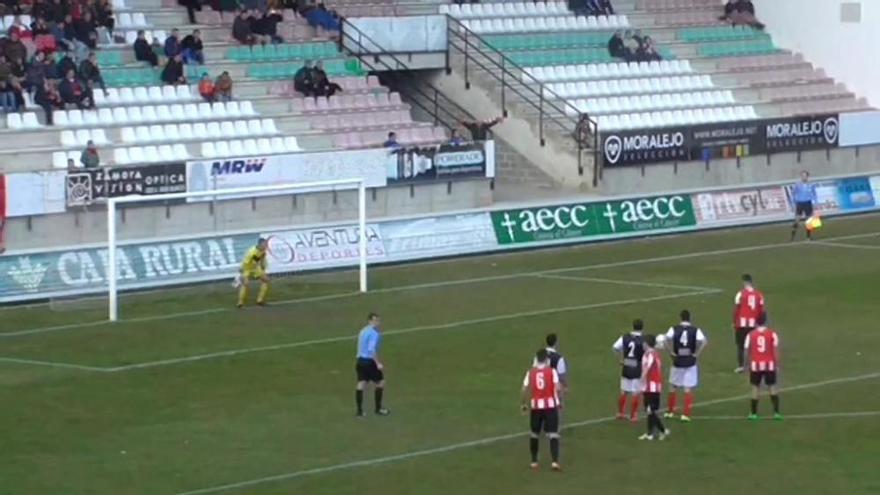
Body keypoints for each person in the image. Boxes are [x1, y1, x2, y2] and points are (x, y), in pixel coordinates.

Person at [521, 348, 562, 470]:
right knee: (553, 434)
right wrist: (559, 401)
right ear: (546, 359)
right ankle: (554, 462)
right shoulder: (552, 371)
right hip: (550, 407)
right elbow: (558, 388)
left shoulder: (530, 372)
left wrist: (524, 404)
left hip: (536, 407)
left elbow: (524, 389)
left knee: (534, 434)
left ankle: (534, 461)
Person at [663, 310, 707, 421]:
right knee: (687, 388)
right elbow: (704, 341)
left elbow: (665, 341)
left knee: (672, 386)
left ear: (680, 318)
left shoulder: (674, 329)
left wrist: (671, 353)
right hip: (690, 361)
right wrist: (696, 354)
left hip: (677, 360)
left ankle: (670, 412)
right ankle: (686, 415)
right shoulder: (695, 330)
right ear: (690, 318)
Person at [744, 313, 782, 420]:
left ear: (756, 322)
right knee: (772, 387)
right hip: (769, 365)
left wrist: (746, 364)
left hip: (755, 365)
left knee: (755, 387)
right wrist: (777, 364)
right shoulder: (772, 334)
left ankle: (753, 414)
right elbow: (775, 351)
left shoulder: (750, 335)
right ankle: (776, 413)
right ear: (766, 321)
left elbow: (746, 351)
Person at [355, 313, 390, 416]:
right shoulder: (374, 333)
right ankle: (378, 409)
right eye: (375, 321)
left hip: (360, 361)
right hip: (369, 362)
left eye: (378, 320)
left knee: (361, 383)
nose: (377, 323)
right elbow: (371, 350)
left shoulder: (362, 331)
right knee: (381, 382)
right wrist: (377, 363)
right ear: (369, 321)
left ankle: (359, 411)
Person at [612, 319, 645, 422]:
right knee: (635, 393)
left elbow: (615, 348)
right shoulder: (643, 340)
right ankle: (633, 415)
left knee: (624, 391)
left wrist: (620, 360)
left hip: (626, 365)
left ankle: (620, 413)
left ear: (633, 326)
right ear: (642, 328)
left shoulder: (625, 337)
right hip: (637, 367)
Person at [639, 334, 670, 441]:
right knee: (649, 411)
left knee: (651, 410)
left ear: (647, 344)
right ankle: (650, 433)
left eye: (643, 342)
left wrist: (640, 380)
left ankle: (662, 431)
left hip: (653, 387)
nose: (642, 344)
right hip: (648, 386)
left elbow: (646, 369)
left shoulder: (651, 355)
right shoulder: (649, 354)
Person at [733, 274, 765, 373]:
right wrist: (760, 323)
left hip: (741, 324)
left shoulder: (740, 294)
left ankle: (741, 366)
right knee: (753, 345)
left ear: (745, 282)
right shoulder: (759, 295)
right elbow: (761, 311)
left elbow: (736, 310)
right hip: (753, 324)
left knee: (740, 346)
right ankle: (754, 365)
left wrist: (734, 322)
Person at [236, 237, 270, 307]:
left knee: (266, 280)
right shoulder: (251, 252)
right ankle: (240, 302)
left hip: (255, 268)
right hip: (247, 268)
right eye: (264, 244)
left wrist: (263, 266)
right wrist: (241, 272)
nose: (266, 246)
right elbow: (245, 262)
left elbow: (261, 259)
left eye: (266, 244)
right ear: (260, 244)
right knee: (245, 283)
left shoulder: (263, 250)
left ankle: (259, 300)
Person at [791, 170, 817, 241]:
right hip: (800, 203)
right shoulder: (797, 185)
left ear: (807, 177)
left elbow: (814, 194)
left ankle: (808, 237)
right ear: (801, 177)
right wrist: (793, 203)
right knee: (796, 220)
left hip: (808, 203)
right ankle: (792, 237)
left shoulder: (811, 185)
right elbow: (793, 193)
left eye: (805, 176)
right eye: (802, 176)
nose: (804, 177)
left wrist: (815, 203)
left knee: (809, 221)